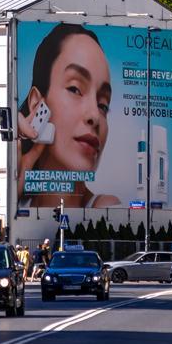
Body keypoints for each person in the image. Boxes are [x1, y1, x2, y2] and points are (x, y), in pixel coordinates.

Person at [16, 24, 124, 210]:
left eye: (103, 105)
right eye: (75, 89)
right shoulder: (19, 204)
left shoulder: (106, 209)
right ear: (36, 104)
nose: (94, 116)